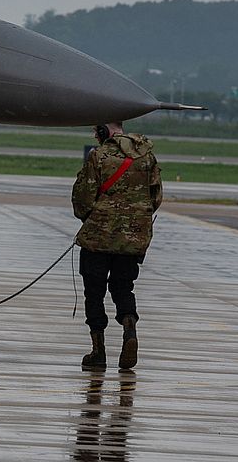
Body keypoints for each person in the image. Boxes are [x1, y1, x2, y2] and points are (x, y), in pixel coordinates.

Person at [71, 121, 161, 370]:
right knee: (123, 288)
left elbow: (83, 197)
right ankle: (129, 328)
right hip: (132, 239)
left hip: (98, 238)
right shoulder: (147, 157)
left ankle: (98, 352)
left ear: (103, 131)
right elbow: (156, 197)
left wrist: (91, 217)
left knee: (94, 291)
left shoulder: (98, 156)